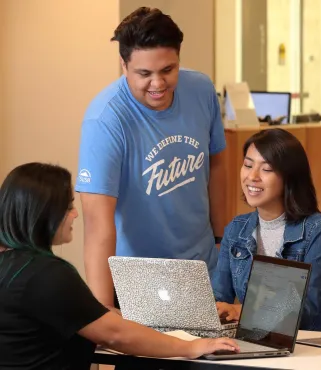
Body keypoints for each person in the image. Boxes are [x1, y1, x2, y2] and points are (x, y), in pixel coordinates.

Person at [0, 163, 239, 370]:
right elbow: (115, 335)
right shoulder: (47, 275)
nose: (74, 214)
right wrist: (192, 346)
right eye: (68, 206)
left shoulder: (13, 267)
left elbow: (92, 316)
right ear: (44, 214)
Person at [76, 7, 227, 312]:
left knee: (214, 357)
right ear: (124, 64)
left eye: (168, 70)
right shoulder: (105, 120)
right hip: (139, 279)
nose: (157, 84)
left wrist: (223, 245)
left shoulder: (200, 89)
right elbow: (97, 225)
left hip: (202, 268)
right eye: (144, 74)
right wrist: (104, 316)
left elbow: (218, 167)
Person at [212, 129, 321, 333]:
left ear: (289, 177)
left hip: (312, 343)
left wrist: (244, 312)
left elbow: (308, 309)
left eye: (266, 169)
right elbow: (219, 296)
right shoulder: (236, 229)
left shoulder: (317, 228)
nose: (252, 177)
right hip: (258, 340)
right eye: (247, 165)